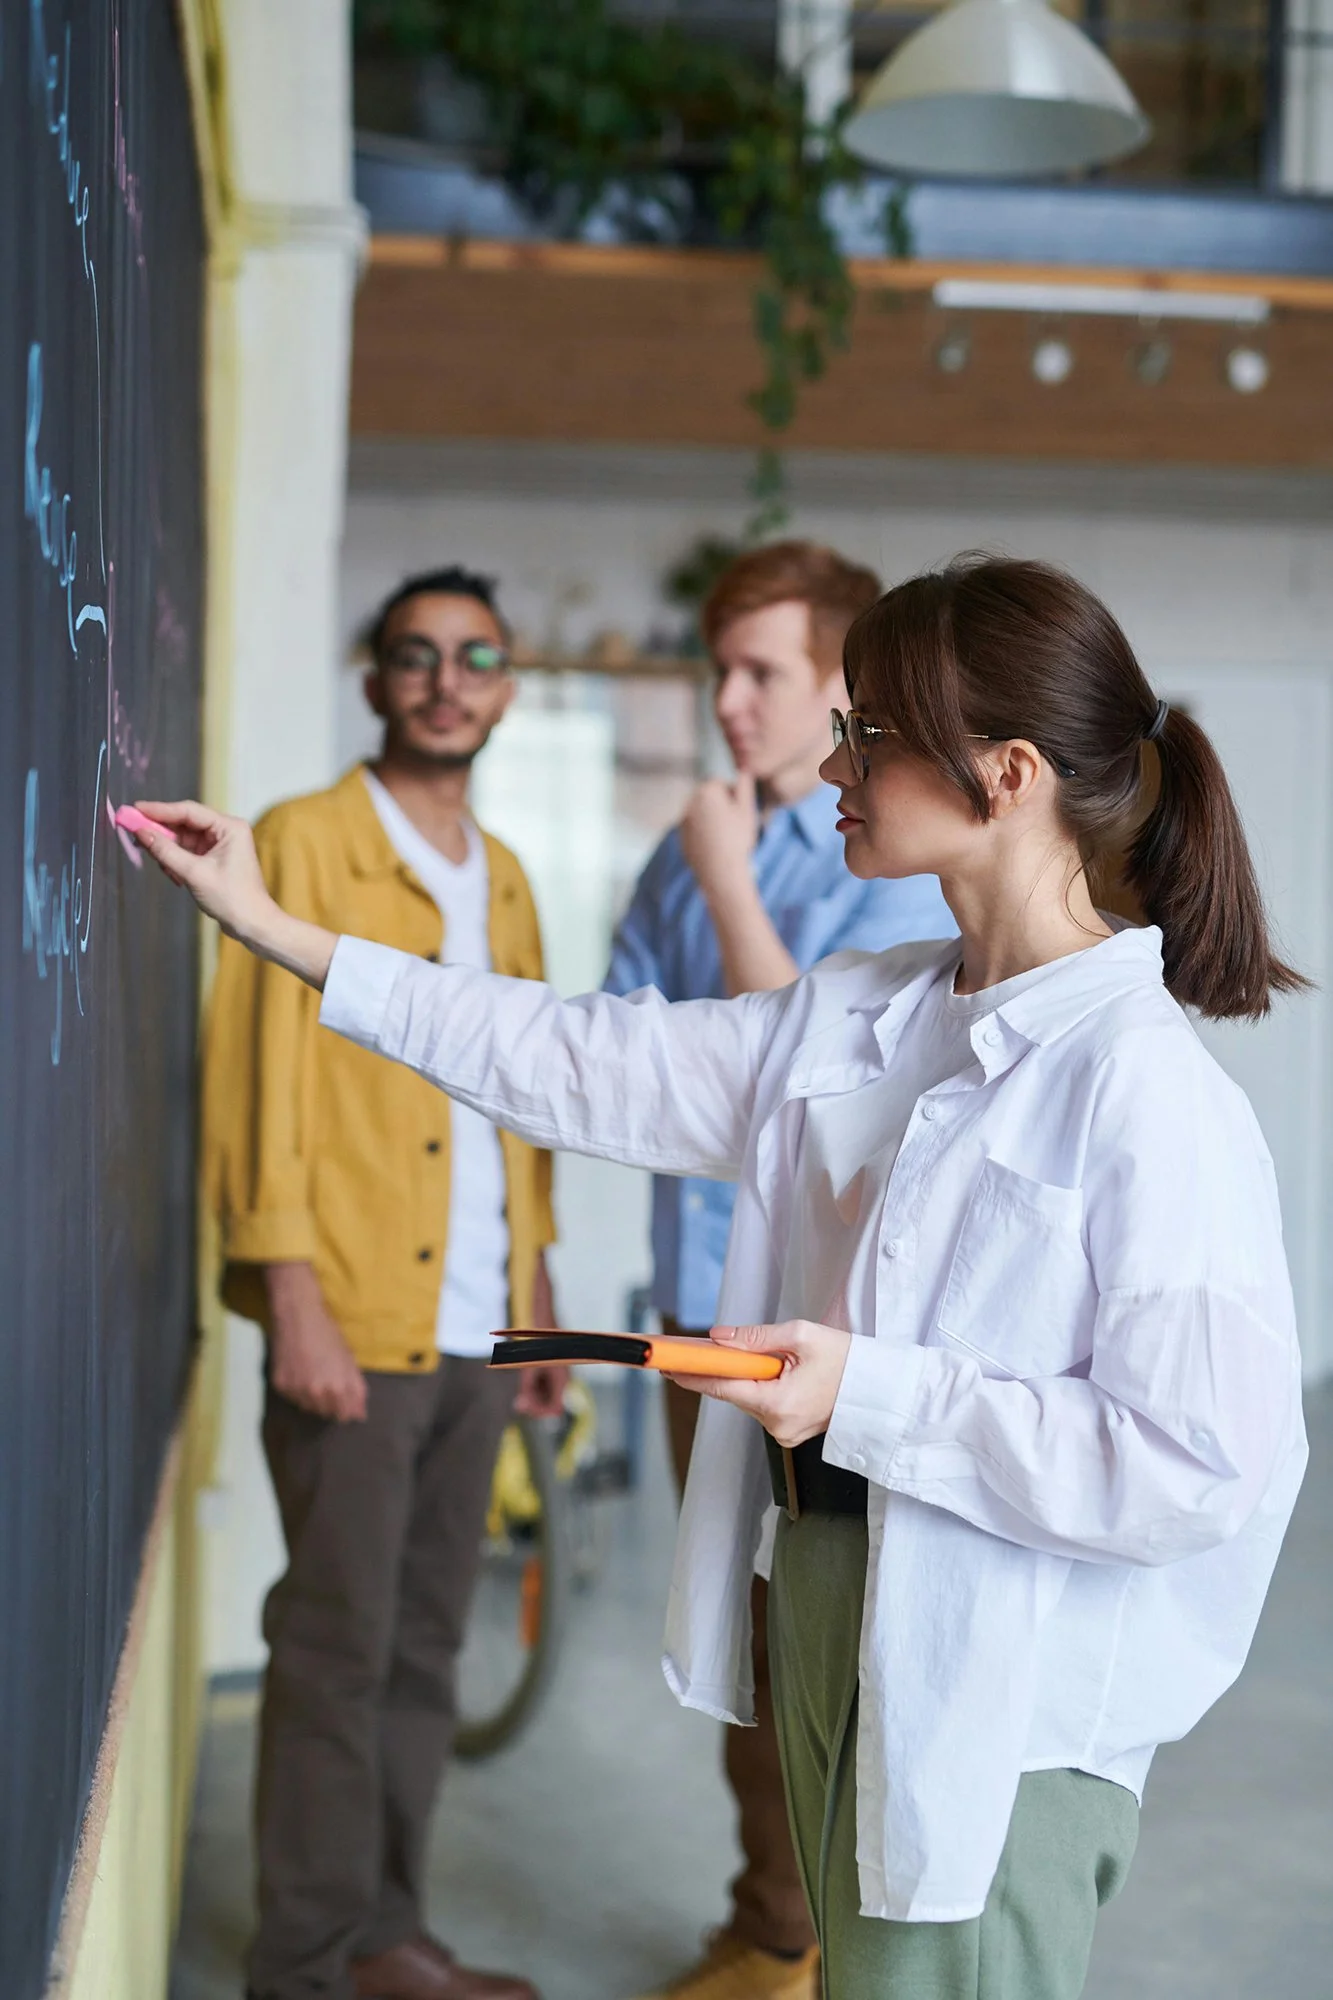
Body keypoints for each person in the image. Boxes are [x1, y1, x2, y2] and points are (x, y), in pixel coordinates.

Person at [141, 554, 1308, 2000]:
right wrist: (283, 932)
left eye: (869, 730)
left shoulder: (1149, 1095)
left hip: (998, 1682)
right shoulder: (866, 1009)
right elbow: (578, 1055)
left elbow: (1190, 1466)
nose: (834, 759)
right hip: (829, 1591)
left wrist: (866, 1393)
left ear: (1006, 775)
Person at [202, 565, 563, 2000]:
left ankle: (381, 1941)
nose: (446, 680)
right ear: (375, 680)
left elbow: (526, 1098)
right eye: (417, 655)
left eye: (476, 656)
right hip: (353, 1314)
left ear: (507, 686)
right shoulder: (297, 841)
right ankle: (296, 1963)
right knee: (336, 1652)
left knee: (426, 1648)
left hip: (478, 1325)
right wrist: (290, 1293)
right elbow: (255, 1084)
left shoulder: (512, 874)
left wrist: (534, 1300)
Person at [603, 541, 954, 2000]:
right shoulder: (686, 844)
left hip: (832, 1333)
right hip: (699, 1302)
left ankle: (824, 1942)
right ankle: (774, 1931)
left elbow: (804, 1088)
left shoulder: (884, 862)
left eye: (765, 673)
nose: (732, 701)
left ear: (839, 690)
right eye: (721, 670)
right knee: (734, 1630)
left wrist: (726, 878)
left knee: (839, 1634)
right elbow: (627, 1061)